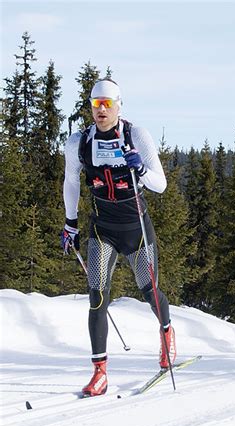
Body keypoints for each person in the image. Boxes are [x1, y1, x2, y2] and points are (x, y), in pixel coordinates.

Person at [61, 78, 176, 397]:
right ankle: (99, 372)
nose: (101, 110)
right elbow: (71, 182)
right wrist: (71, 222)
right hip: (103, 229)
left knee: (150, 291)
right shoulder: (78, 142)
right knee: (97, 297)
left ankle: (166, 333)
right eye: (96, 104)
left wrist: (140, 171)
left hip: (137, 228)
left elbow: (161, 185)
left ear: (118, 105)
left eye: (107, 104)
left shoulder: (136, 135)